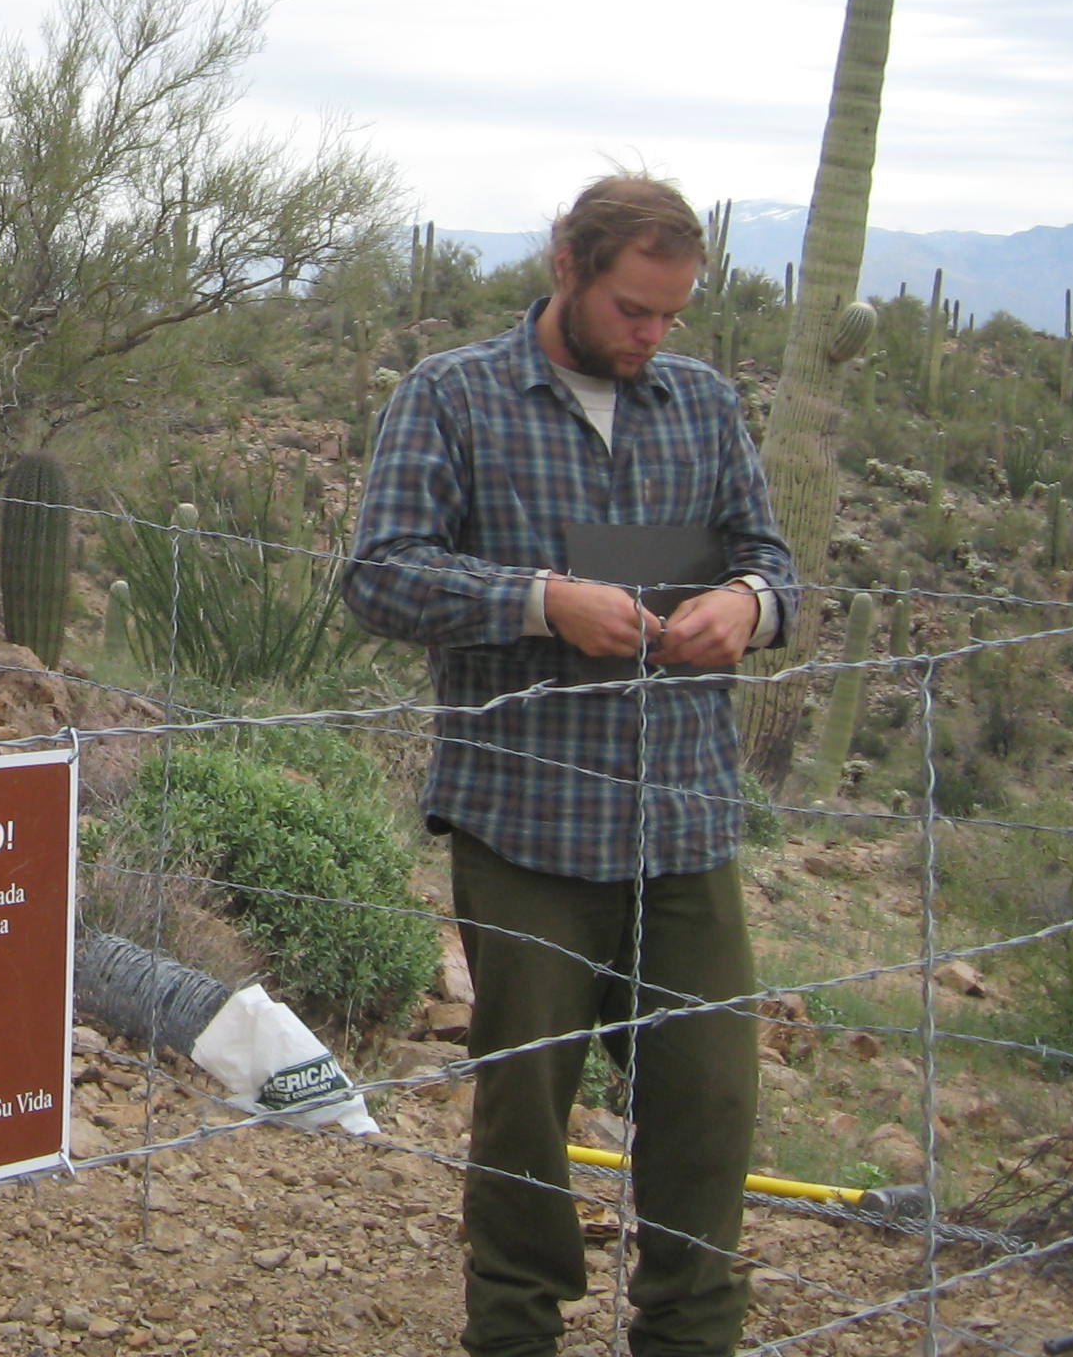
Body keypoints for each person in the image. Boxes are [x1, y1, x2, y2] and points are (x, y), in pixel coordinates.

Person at [342, 174, 797, 1357]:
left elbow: (770, 557)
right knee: (527, 1120)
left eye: (671, 314)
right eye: (633, 309)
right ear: (567, 268)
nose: (652, 336)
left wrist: (748, 607)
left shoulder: (702, 403)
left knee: (707, 1108)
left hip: (685, 823)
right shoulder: (453, 397)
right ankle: (516, 1333)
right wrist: (541, 602)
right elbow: (380, 574)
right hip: (529, 827)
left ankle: (689, 1337)